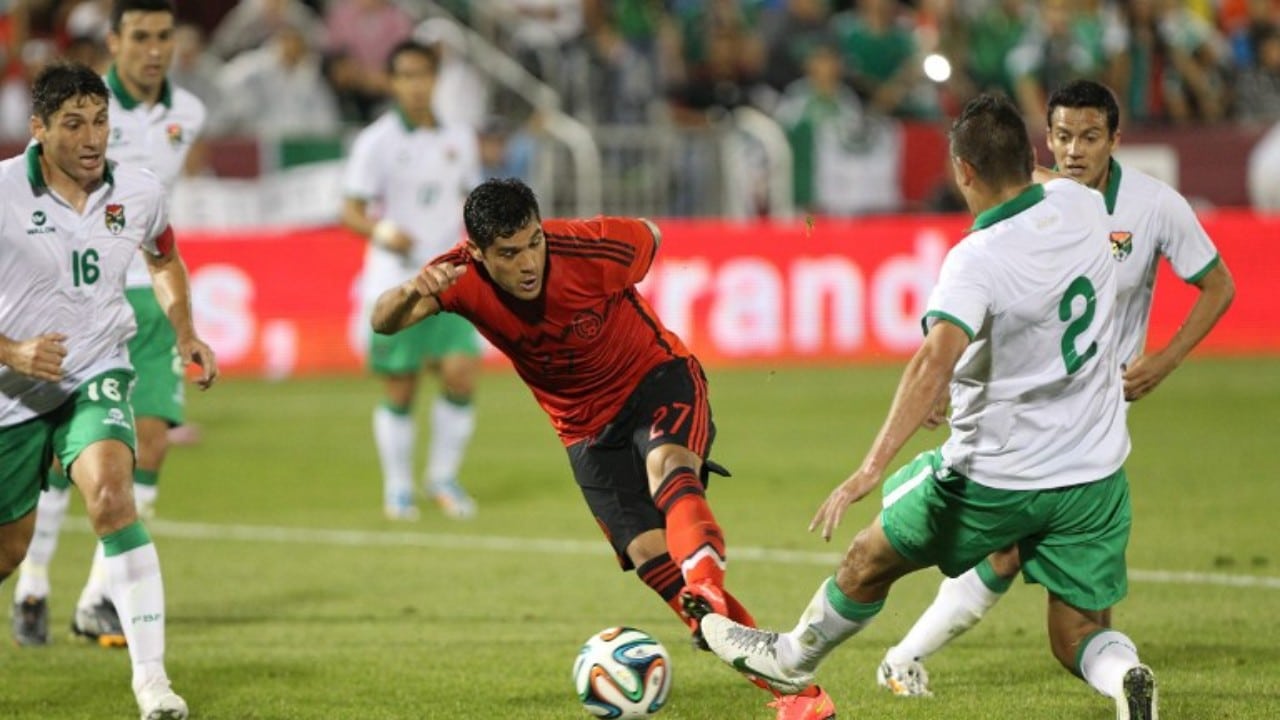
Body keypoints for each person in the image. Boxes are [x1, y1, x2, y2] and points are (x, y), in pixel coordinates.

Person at [698, 93, 1159, 720]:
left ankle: (792, 659)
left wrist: (870, 466)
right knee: (1076, 635)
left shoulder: (976, 259)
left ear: (962, 172)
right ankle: (1127, 677)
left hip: (998, 480)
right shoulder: (1080, 203)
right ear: (1030, 158)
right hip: (1094, 475)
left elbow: (931, 360)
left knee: (868, 559)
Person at [369, 178, 836, 720]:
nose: (527, 263)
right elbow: (384, 322)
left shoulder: (585, 247)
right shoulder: (455, 276)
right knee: (649, 557)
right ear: (477, 252)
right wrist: (410, 289)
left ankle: (707, 586)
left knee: (668, 465)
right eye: (509, 253)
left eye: (533, 243)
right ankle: (799, 696)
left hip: (655, 378)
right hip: (584, 430)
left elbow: (651, 237)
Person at [876, 79, 1235, 699]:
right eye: (1063, 136)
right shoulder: (1037, 199)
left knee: (1020, 551)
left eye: (1090, 137)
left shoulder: (1152, 205)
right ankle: (1115, 677)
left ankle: (907, 657)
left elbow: (1219, 285)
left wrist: (1165, 360)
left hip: (1093, 411)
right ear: (1046, 139)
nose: (1074, 150)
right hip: (1028, 411)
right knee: (1017, 552)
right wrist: (947, 385)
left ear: (1115, 141)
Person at [0, 61, 216, 720]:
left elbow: (163, 255)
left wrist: (184, 330)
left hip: (97, 369)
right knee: (8, 548)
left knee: (113, 495)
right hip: (10, 392)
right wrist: (12, 352)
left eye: (100, 121)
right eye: (74, 124)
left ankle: (152, 683)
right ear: (38, 129)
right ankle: (30, 582)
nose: (93, 138)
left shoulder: (139, 191)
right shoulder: (3, 193)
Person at [341, 39, 482, 522]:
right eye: (406, 75)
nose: (416, 85)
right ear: (393, 81)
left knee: (461, 373)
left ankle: (442, 478)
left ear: (435, 78)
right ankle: (398, 487)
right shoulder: (377, 141)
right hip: (398, 279)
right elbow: (351, 210)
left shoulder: (459, 137)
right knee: (401, 387)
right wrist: (383, 230)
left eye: (423, 74)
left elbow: (471, 200)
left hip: (450, 277)